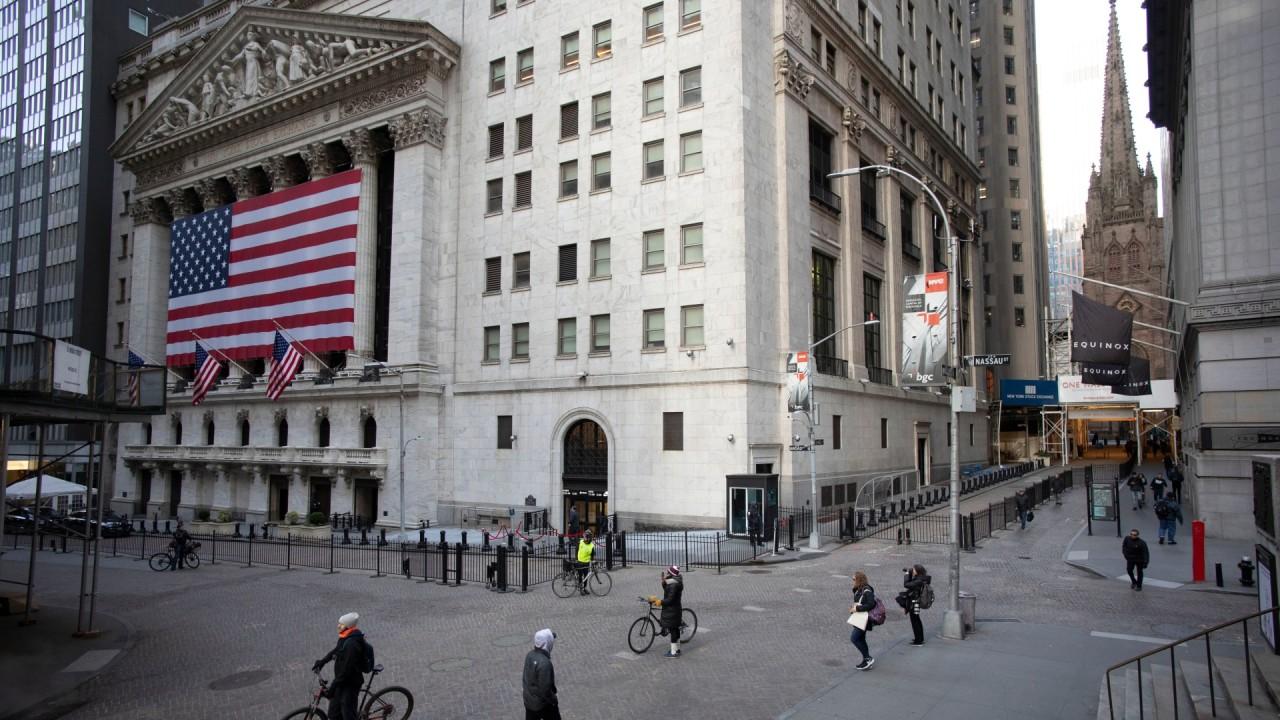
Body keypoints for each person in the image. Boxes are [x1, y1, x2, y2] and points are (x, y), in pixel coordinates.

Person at [312, 612, 369, 720]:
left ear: (348, 626)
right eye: (339, 623)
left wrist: (333, 687)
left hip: (350, 683)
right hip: (341, 682)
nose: (338, 626)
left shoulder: (352, 645)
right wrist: (322, 661)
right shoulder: (345, 636)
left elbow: (346, 671)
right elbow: (337, 650)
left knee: (348, 714)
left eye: (342, 624)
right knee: (333, 714)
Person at [522, 628, 560, 720]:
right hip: (542, 706)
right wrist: (554, 700)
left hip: (529, 702)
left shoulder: (529, 655)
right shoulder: (545, 663)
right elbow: (545, 690)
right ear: (546, 643)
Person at [652, 565, 684, 657]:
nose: (666, 574)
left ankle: (673, 652)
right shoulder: (674, 581)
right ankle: (677, 650)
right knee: (675, 629)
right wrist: (663, 581)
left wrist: (660, 602)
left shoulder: (674, 584)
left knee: (673, 630)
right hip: (674, 609)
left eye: (668, 572)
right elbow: (667, 590)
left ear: (671, 574)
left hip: (672, 610)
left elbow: (670, 599)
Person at [848, 571, 877, 670]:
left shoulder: (867, 590)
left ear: (859, 579)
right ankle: (866, 659)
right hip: (859, 618)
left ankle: (868, 658)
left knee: (854, 638)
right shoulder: (859, 589)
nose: (853, 581)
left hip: (864, 619)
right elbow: (859, 601)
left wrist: (857, 609)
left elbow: (871, 604)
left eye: (854, 579)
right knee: (861, 639)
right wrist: (854, 607)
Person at [902, 565, 931, 645]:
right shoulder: (921, 578)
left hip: (914, 602)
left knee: (915, 620)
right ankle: (919, 638)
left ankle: (918, 640)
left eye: (914, 570)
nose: (913, 571)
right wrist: (910, 574)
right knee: (916, 620)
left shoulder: (919, 580)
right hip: (915, 601)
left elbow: (907, 584)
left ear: (918, 571)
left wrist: (907, 574)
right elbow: (911, 584)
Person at [575, 530, 595, 595]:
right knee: (580, 576)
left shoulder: (592, 545)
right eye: (585, 537)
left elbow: (592, 554)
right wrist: (576, 559)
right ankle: (581, 589)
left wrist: (592, 560)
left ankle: (585, 588)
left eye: (587, 537)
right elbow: (576, 550)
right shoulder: (580, 542)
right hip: (580, 562)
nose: (585, 538)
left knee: (586, 576)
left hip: (586, 562)